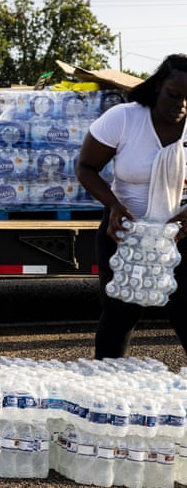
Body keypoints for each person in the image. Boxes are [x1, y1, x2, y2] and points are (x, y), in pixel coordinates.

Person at [76, 54, 187, 359]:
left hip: (179, 234)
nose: (182, 105)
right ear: (157, 87)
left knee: (185, 311)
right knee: (120, 313)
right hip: (125, 232)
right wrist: (112, 205)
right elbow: (86, 167)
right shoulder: (124, 119)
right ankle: (107, 390)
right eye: (175, 95)